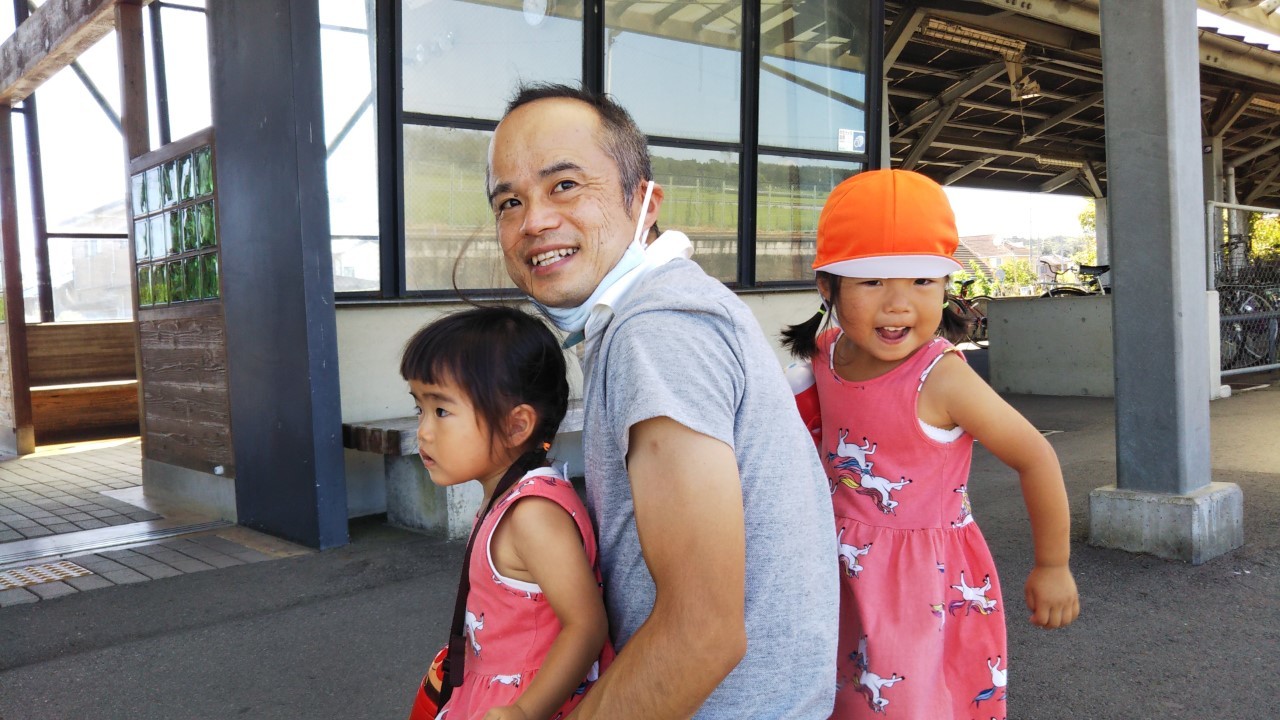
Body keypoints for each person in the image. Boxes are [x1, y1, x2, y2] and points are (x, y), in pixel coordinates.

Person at [486, 83, 838, 719]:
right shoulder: (648, 314)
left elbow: (700, 634)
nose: (534, 220)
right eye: (510, 201)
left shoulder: (656, 329)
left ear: (643, 201)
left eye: (564, 185)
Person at [781, 169, 1081, 719]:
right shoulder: (824, 356)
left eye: (922, 281)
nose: (900, 304)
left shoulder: (941, 377)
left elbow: (1034, 455)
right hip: (833, 567)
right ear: (828, 286)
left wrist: (1052, 564)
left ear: (946, 287)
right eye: (873, 282)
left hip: (920, 581)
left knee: (908, 704)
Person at [400, 306, 611, 720]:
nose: (423, 430)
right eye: (419, 409)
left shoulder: (532, 514)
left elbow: (586, 626)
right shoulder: (506, 497)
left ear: (517, 426)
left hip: (526, 700)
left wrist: (526, 712)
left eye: (441, 411)